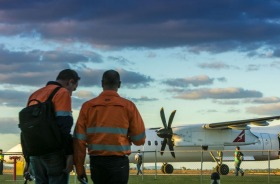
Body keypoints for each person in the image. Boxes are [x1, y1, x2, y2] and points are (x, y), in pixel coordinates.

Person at [73, 69, 146, 184]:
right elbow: (139, 140)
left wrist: (80, 168)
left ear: (102, 83)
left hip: (97, 163)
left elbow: (79, 141)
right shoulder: (128, 106)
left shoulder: (87, 107)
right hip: (119, 163)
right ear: (119, 84)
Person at [22, 69, 80, 184]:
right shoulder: (62, 93)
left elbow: (26, 130)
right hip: (54, 153)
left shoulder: (35, 94)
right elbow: (64, 126)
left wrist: (28, 160)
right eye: (73, 89)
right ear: (70, 81)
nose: (71, 93)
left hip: (35, 153)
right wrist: (69, 154)